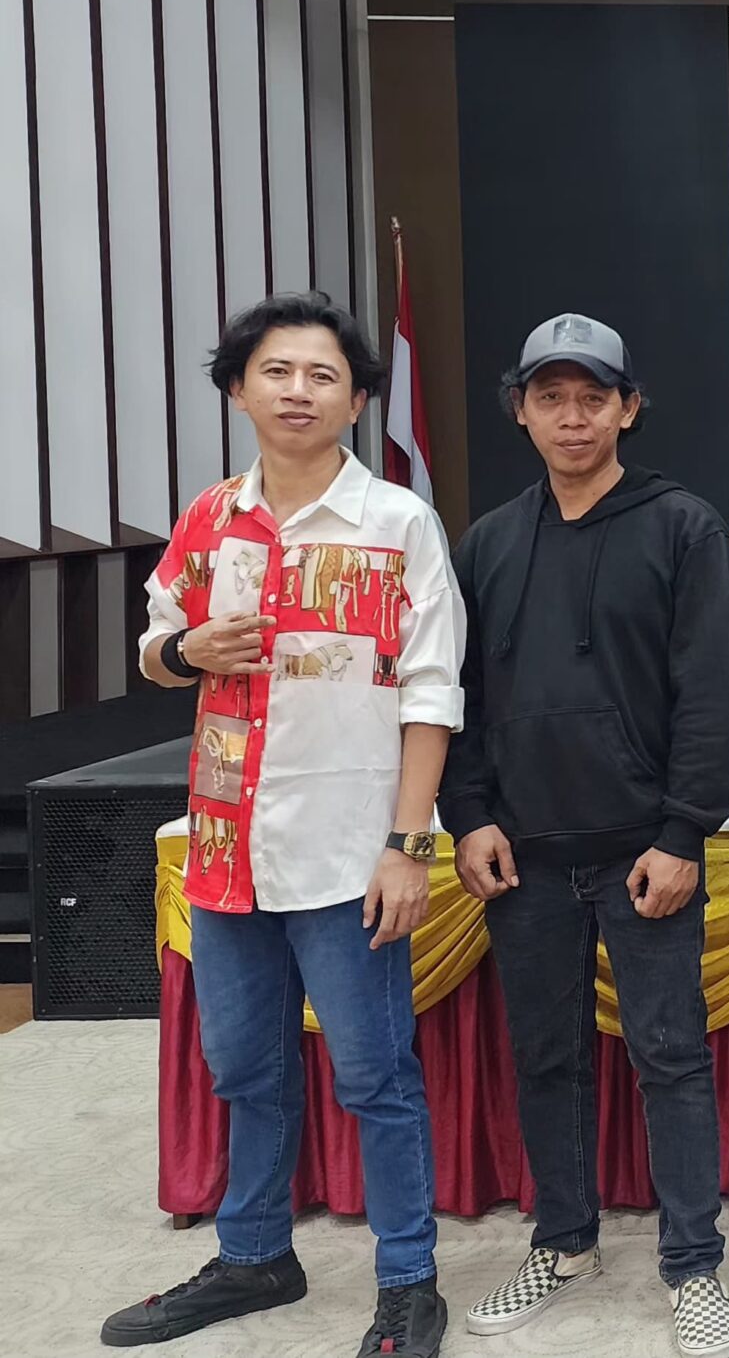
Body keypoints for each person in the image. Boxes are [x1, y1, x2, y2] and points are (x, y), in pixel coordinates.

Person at [108, 293, 460, 1356]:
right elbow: (154, 645)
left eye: (322, 375)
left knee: (375, 1076)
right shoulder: (209, 517)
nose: (298, 391)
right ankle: (256, 1253)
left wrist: (407, 846)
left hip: (350, 851)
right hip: (226, 849)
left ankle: (408, 1278)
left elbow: (434, 691)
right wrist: (188, 652)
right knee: (243, 1069)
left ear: (356, 400)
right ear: (237, 389)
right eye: (276, 371)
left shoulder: (397, 522)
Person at [439, 315, 729, 1358]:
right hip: (523, 856)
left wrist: (684, 831)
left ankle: (694, 1265)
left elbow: (710, 694)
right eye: (550, 397)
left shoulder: (683, 527)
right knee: (545, 1057)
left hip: (643, 853)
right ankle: (564, 1241)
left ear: (628, 407)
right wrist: (469, 814)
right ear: (520, 410)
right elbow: (459, 699)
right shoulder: (487, 543)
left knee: (669, 1056)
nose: (572, 417)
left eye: (593, 397)